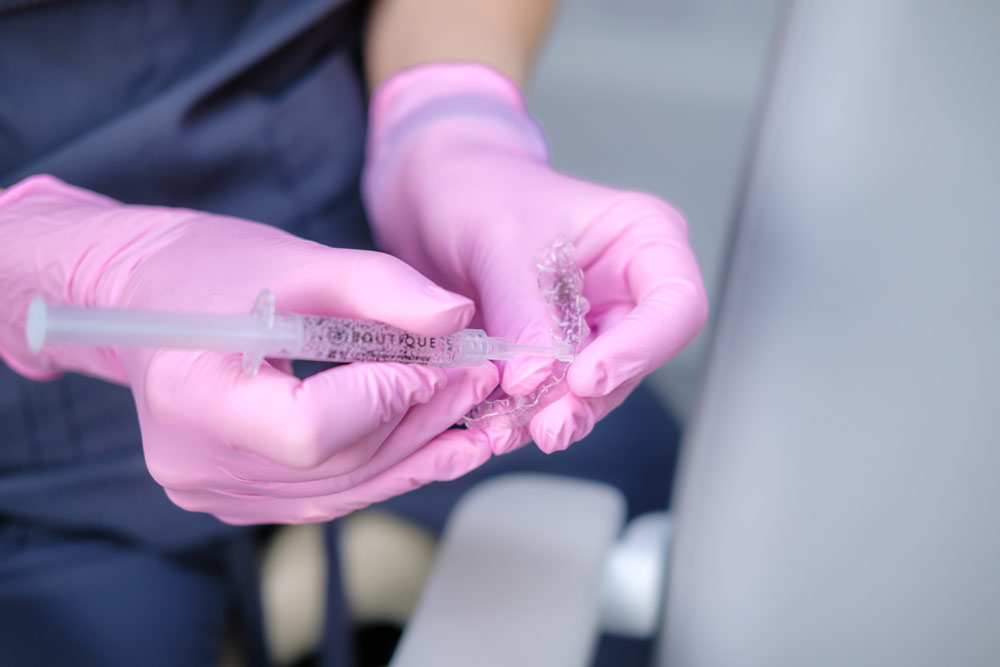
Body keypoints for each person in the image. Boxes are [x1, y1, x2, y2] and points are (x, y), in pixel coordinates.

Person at [0, 0, 706, 664]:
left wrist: (451, 113)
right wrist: (50, 260)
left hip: (376, 239)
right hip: (34, 454)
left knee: (682, 529)